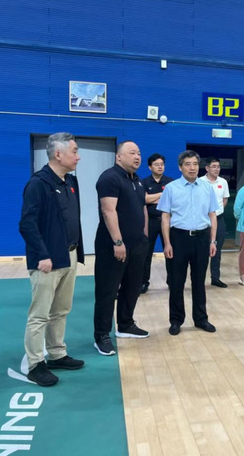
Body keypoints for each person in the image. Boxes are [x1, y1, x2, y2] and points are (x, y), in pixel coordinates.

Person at [19, 132, 85, 387]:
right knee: (40, 315)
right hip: (47, 259)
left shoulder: (71, 181)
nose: (78, 157)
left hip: (69, 254)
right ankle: (36, 364)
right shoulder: (38, 184)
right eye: (74, 151)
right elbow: (27, 224)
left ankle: (56, 353)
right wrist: (42, 254)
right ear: (58, 154)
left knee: (61, 310)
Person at [93, 141, 149, 357]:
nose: (137, 157)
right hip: (113, 246)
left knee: (132, 287)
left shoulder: (137, 181)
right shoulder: (110, 178)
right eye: (132, 153)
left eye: (139, 153)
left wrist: (143, 237)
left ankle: (125, 324)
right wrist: (118, 242)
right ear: (118, 157)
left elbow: (141, 208)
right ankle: (102, 335)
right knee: (107, 291)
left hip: (137, 245)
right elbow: (109, 211)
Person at [157, 150, 218, 336]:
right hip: (178, 239)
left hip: (202, 239)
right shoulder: (171, 188)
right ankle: (176, 320)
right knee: (176, 282)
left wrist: (213, 241)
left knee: (199, 281)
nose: (192, 168)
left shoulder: (207, 188)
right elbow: (165, 217)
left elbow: (212, 215)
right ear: (180, 167)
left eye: (195, 164)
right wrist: (167, 243)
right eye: (187, 164)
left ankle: (201, 319)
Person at [140, 153, 173, 294]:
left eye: (162, 164)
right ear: (150, 167)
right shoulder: (144, 182)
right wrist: (161, 195)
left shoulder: (170, 182)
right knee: (146, 253)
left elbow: (172, 201)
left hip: (168, 222)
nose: (160, 167)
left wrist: (151, 198)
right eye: (156, 164)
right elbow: (143, 199)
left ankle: (172, 282)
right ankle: (143, 282)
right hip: (150, 222)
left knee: (170, 252)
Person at [202, 157, 230, 288]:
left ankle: (215, 278)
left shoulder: (223, 182)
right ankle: (199, 278)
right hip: (203, 220)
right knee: (202, 250)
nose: (217, 169)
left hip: (218, 219)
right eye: (214, 166)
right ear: (207, 168)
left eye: (218, 166)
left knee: (217, 251)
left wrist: (218, 211)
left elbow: (225, 199)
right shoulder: (200, 181)